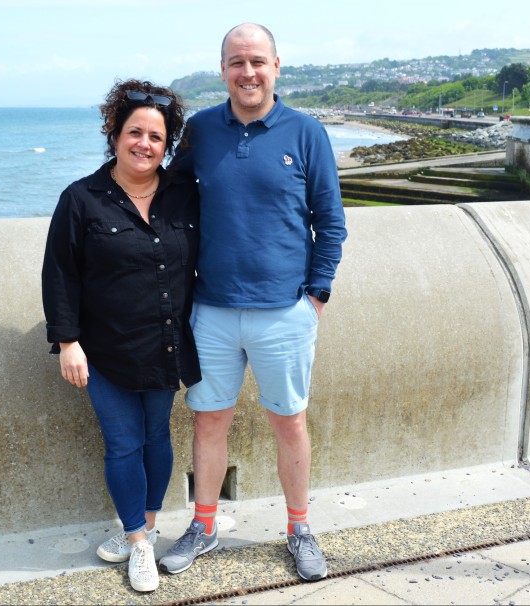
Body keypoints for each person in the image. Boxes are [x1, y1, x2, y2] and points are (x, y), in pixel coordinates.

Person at [158, 23, 347, 582]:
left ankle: (299, 529)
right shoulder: (200, 131)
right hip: (212, 310)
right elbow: (165, 198)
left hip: (285, 311)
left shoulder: (307, 133)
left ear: (276, 67)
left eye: (258, 61)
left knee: (290, 423)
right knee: (208, 421)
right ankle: (204, 526)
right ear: (222, 71)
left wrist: (315, 296)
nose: (248, 72)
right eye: (237, 62)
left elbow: (330, 222)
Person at [41, 79, 199, 593]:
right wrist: (68, 342)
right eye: (135, 132)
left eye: (156, 137)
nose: (144, 144)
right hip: (105, 349)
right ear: (115, 134)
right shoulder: (81, 198)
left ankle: (144, 529)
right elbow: (60, 273)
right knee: (123, 443)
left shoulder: (184, 195)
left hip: (166, 344)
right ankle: (137, 541)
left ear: (167, 145)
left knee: (157, 437)